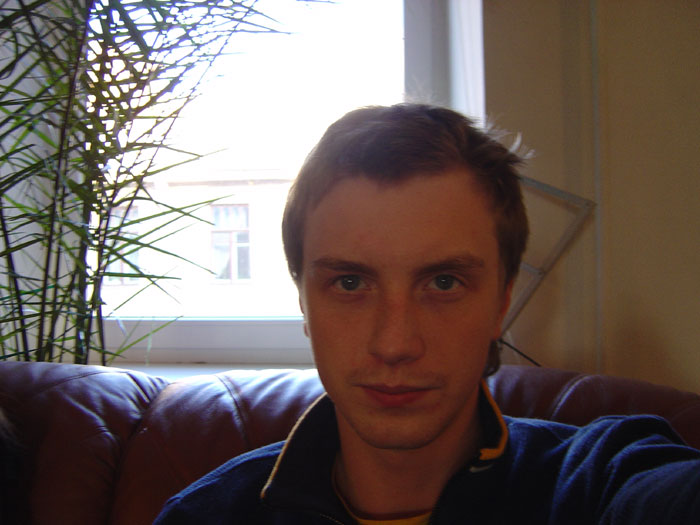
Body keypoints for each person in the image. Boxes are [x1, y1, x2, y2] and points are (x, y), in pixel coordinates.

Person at [155, 104, 700, 524]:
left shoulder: (596, 482)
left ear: (502, 303)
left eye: (444, 282)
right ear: (304, 302)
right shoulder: (207, 516)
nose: (395, 343)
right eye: (350, 283)